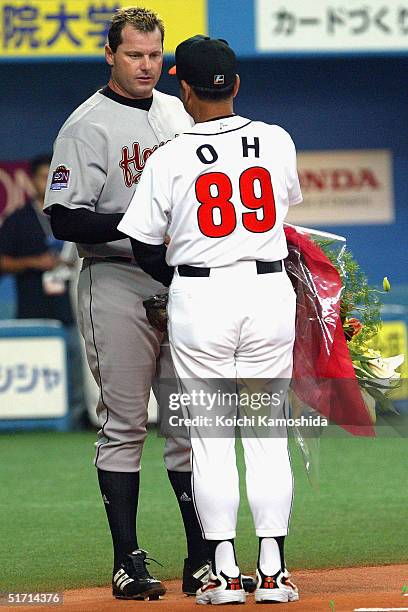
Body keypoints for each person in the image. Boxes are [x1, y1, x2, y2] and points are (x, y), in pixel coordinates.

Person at [43, 7, 228, 602]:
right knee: (124, 426)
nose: (146, 65)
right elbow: (64, 217)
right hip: (117, 280)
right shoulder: (86, 124)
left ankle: (202, 558)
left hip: (180, 284)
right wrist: (144, 226)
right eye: (134, 55)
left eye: (154, 55)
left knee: (188, 426)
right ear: (110, 55)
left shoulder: (177, 111)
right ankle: (128, 561)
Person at [119, 35, 302, 605]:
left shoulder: (169, 154)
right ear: (236, 85)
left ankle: (222, 573)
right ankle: (271, 571)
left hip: (202, 297)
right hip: (269, 291)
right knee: (268, 438)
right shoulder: (275, 140)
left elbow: (144, 244)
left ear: (183, 86)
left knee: (212, 441)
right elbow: (286, 208)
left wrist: (182, 270)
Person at [0, 154, 87, 428]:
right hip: (32, 307)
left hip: (70, 304)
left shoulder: (71, 215)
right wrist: (34, 262)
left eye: (53, 176)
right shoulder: (19, 219)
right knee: (34, 361)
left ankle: (78, 417)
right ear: (31, 181)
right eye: (42, 176)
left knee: (77, 362)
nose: (47, 182)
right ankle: (29, 419)